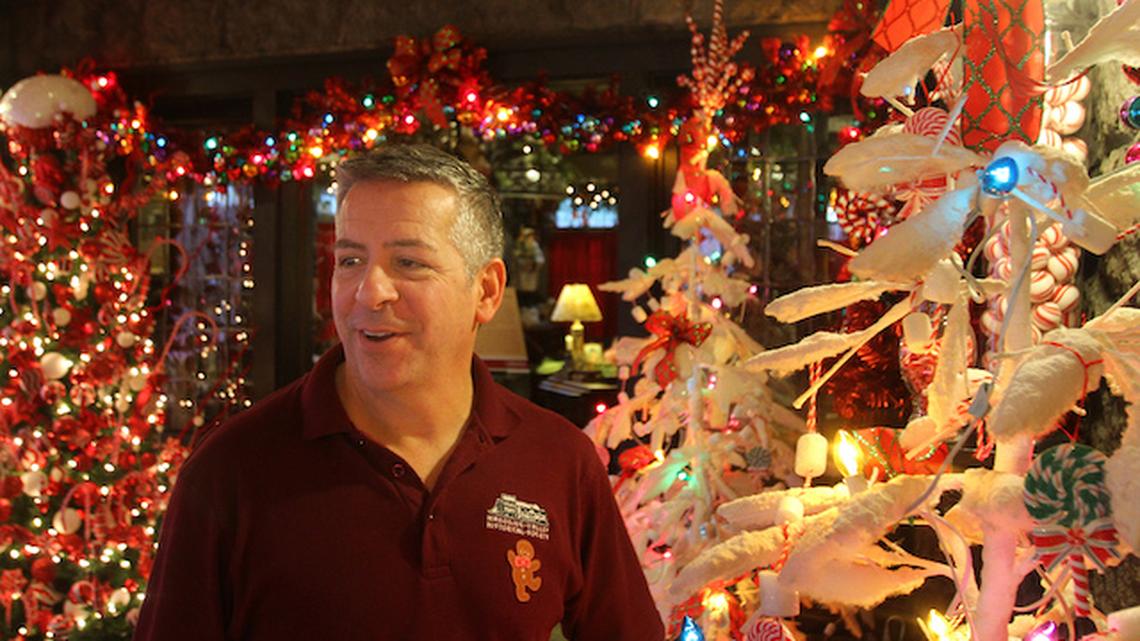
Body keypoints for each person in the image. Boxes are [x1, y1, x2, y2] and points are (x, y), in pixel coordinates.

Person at [133, 144, 664, 641]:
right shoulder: (231, 470)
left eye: (408, 262)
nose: (370, 291)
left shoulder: (558, 459)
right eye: (349, 260)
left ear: (486, 290)